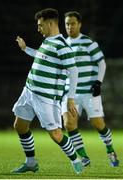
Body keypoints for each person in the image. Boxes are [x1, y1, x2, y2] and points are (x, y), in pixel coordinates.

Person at [12, 8, 83, 174]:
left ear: (50, 23)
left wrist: (71, 98)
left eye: (40, 25)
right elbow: (41, 56)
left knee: (56, 135)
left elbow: (74, 71)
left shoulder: (62, 46)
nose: (38, 29)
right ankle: (31, 163)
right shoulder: (47, 42)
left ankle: (76, 159)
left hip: (46, 98)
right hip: (29, 91)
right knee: (20, 125)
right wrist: (25, 49)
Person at [62, 11, 119, 167]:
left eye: (73, 23)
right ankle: (84, 157)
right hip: (70, 94)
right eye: (67, 24)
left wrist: (98, 83)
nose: (70, 26)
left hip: (89, 92)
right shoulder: (63, 45)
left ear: (79, 24)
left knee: (98, 124)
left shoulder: (88, 42)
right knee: (69, 124)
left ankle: (110, 150)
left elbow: (101, 63)